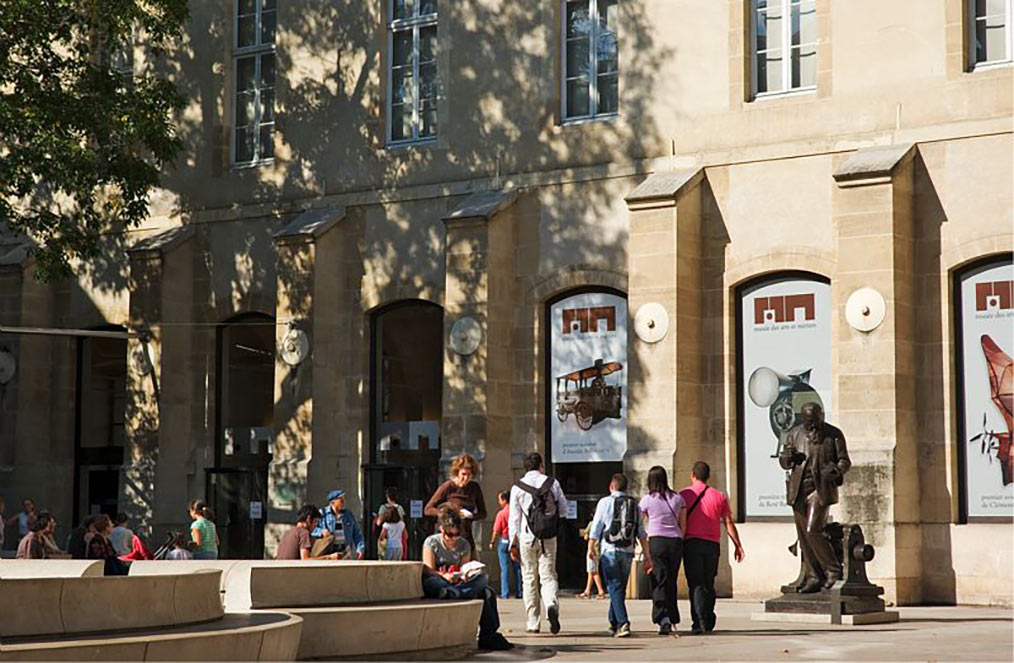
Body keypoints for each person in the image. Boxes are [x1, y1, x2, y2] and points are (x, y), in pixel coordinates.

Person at [779, 402, 850, 592]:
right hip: (798, 490)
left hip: (820, 489)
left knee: (813, 530)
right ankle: (813, 576)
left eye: (815, 420)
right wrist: (788, 458)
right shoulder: (795, 434)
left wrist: (836, 470)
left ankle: (833, 570)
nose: (812, 425)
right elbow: (784, 461)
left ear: (821, 416)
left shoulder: (833, 434)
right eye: (808, 421)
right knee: (803, 536)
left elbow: (844, 460)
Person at [421, 505, 512, 651]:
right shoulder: (432, 543)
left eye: (456, 535)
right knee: (431, 582)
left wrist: (463, 576)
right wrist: (444, 575)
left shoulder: (464, 545)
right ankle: (456, 592)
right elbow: (429, 569)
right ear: (442, 530)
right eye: (449, 535)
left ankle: (488, 635)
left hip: (457, 584)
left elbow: (464, 568)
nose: (453, 539)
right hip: (439, 580)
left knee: (486, 587)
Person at [679, 461, 745, 635]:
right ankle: (708, 618)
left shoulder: (683, 495)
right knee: (709, 582)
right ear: (708, 476)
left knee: (696, 584)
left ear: (693, 475)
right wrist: (738, 545)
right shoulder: (719, 496)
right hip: (712, 545)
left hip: (691, 543)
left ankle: (699, 620)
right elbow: (728, 522)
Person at [588, 473, 652, 638]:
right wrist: (647, 556)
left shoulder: (605, 502)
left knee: (615, 587)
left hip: (609, 550)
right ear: (626, 488)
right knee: (618, 589)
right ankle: (613, 622)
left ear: (611, 486)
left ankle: (623, 623)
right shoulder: (634, 504)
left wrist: (591, 547)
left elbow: (596, 527)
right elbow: (642, 533)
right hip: (628, 551)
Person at [509, 451, 566, 634]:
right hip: (548, 536)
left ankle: (533, 622)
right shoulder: (552, 483)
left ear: (525, 467)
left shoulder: (517, 487)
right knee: (548, 576)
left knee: (529, 578)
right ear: (541, 465)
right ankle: (551, 604)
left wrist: (513, 542)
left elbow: (514, 519)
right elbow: (564, 509)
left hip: (526, 537)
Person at [640, 465, 687, 636]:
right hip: (675, 541)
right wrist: (680, 537)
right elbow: (683, 524)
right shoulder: (677, 498)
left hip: (657, 540)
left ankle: (662, 617)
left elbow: (642, 519)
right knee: (671, 580)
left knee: (659, 579)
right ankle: (673, 616)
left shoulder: (647, 499)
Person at [425, 453, 487, 550]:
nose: (466, 478)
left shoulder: (474, 487)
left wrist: (471, 516)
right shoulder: (448, 486)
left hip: (466, 536)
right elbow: (428, 509)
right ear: (457, 472)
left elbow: (483, 513)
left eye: (469, 475)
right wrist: (447, 514)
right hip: (449, 536)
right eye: (463, 474)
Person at [311, 489, 365, 560]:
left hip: (345, 551)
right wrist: (321, 532)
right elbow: (312, 530)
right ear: (333, 502)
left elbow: (357, 533)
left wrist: (360, 549)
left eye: (344, 500)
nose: (343, 502)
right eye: (340, 500)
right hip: (329, 551)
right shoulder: (323, 514)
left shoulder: (348, 515)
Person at [489, 490, 521, 599]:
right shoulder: (517, 511)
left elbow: (496, 530)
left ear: (504, 499)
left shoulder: (501, 513)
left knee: (504, 568)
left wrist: (492, 542)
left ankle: (505, 592)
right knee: (517, 567)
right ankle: (520, 591)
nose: (498, 502)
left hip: (504, 540)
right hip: (515, 540)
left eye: (499, 499)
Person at [374, 488, 407, 560]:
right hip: (399, 544)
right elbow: (403, 524)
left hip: (388, 544)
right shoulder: (400, 508)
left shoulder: (383, 507)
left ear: (387, 497)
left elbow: (378, 523)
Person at [577, 525, 606, 600]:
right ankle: (587, 591)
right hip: (599, 550)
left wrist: (586, 534)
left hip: (592, 550)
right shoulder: (603, 525)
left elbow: (586, 536)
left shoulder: (592, 523)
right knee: (591, 571)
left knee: (594, 572)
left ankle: (600, 591)